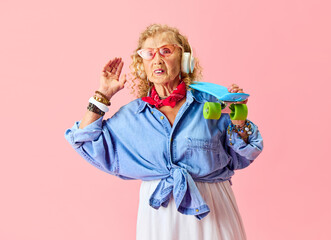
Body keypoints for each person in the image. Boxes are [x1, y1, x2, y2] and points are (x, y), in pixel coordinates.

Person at [64, 23, 263, 240]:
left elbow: (243, 155)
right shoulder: (132, 116)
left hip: (213, 213)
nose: (157, 59)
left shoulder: (213, 103)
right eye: (149, 54)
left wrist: (239, 120)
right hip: (160, 219)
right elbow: (85, 141)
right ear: (142, 65)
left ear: (184, 59)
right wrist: (103, 94)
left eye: (166, 51)